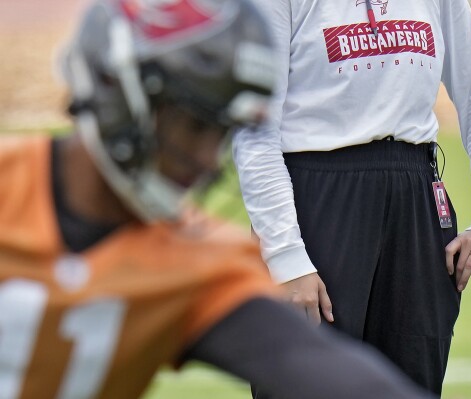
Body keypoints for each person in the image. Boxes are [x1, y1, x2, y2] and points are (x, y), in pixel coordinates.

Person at [0, 1, 436, 398]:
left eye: (222, 132)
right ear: (119, 91)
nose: (208, 158)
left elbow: (314, 365)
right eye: (194, 124)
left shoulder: (193, 258)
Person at [233, 0, 471, 397]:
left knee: (410, 385)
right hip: (315, 201)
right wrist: (285, 257)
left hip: (415, 194)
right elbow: (254, 129)